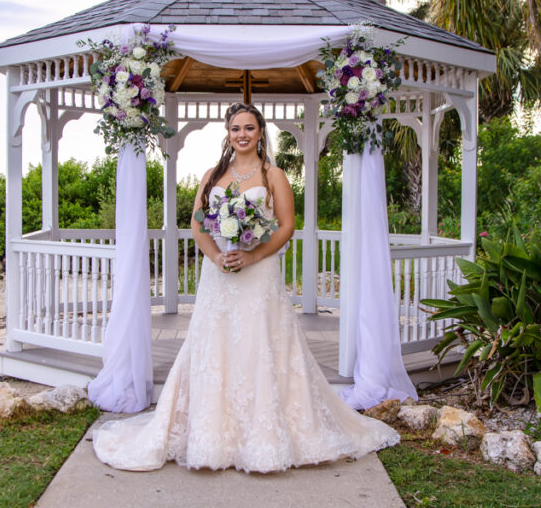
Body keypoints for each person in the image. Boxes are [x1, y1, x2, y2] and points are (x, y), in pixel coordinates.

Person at [92, 103, 400, 473]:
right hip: (218, 277)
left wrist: (252, 257)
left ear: (260, 132)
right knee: (214, 345)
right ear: (228, 132)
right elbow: (197, 225)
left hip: (259, 274)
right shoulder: (212, 175)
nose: (242, 134)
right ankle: (211, 435)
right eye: (236, 128)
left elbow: (286, 226)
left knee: (260, 344)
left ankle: (266, 436)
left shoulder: (275, 175)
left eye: (249, 128)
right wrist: (216, 257)